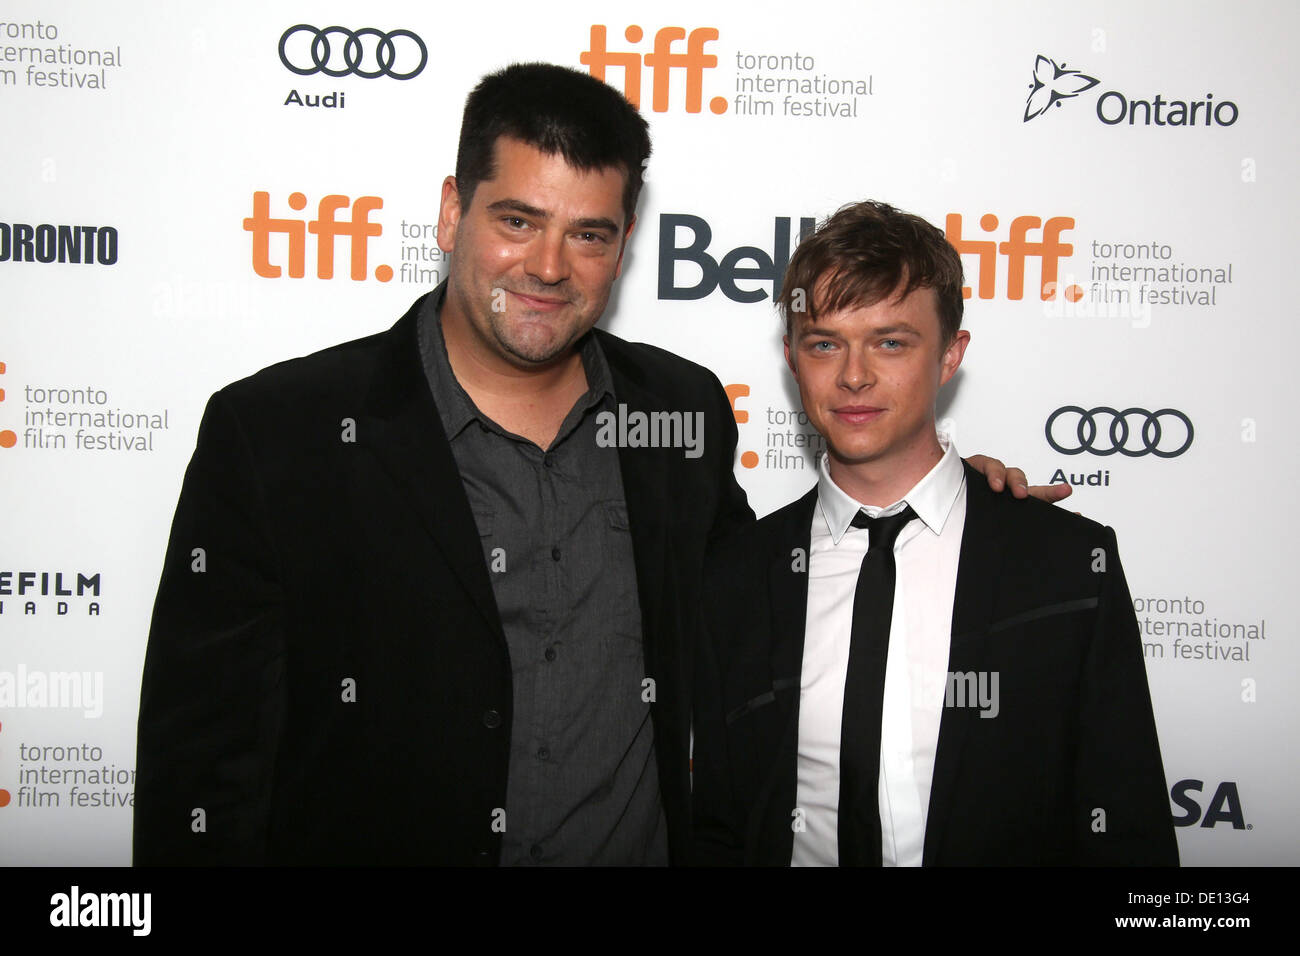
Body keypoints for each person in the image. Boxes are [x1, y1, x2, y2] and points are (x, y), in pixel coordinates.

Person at [133, 65, 1052, 866]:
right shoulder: (280, 434)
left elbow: (772, 589)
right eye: (517, 219)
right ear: (453, 211)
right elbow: (204, 769)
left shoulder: (680, 415)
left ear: (625, 239)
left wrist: (955, 504)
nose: (546, 265)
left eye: (589, 233)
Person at [692, 200, 1177, 866]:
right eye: (825, 342)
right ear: (791, 359)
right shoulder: (738, 577)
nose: (854, 375)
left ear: (951, 354)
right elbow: (718, 825)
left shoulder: (1066, 564)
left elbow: (1128, 826)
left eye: (891, 342)